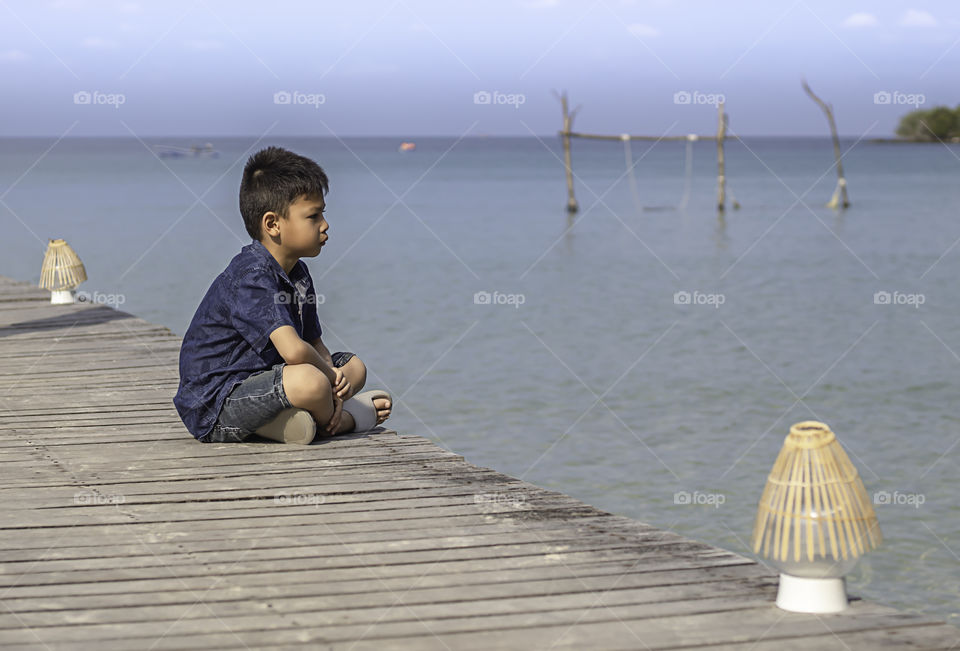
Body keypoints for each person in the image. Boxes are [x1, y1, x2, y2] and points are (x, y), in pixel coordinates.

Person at [173, 146, 392, 445]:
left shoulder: (299, 273)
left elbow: (314, 343)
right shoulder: (252, 276)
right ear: (273, 224)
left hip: (269, 379)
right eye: (313, 216)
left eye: (322, 214)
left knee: (354, 366)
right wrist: (328, 379)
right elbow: (294, 352)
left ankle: (294, 421)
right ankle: (343, 421)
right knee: (312, 380)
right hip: (217, 402)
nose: (325, 225)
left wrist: (334, 373)